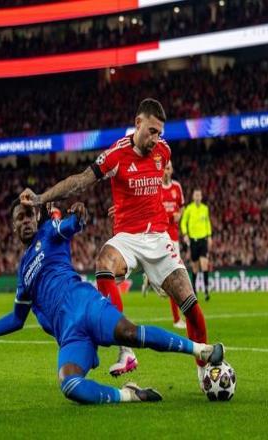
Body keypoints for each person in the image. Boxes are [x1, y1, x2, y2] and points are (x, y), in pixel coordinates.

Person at [19, 98, 211, 388]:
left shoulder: (164, 151)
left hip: (159, 239)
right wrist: (41, 198)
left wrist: (126, 206)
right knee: (104, 262)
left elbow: (153, 187)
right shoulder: (116, 154)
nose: (155, 138)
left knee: (191, 307)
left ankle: (205, 372)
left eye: (159, 133)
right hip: (128, 239)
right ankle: (126, 351)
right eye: (151, 131)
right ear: (138, 123)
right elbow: (80, 181)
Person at [0, 201, 224, 405]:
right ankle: (129, 395)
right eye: (19, 218)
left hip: (85, 304)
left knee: (130, 333)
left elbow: (71, 225)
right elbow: (16, 319)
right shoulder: (23, 274)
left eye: (28, 216)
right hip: (69, 333)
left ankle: (201, 350)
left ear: (36, 219)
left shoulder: (49, 232)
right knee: (69, 384)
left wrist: (78, 215)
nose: (25, 222)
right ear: (13, 227)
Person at [141, 160, 186, 329]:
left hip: (173, 236)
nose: (166, 171)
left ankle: (150, 277)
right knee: (175, 276)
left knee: (173, 276)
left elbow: (182, 207)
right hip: (159, 235)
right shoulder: (156, 188)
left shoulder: (177, 187)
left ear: (172, 170)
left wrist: (179, 215)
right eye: (165, 168)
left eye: (169, 168)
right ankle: (176, 319)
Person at [181, 189, 212, 301]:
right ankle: (194, 290)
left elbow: (207, 223)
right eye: (196, 195)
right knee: (195, 267)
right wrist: (185, 234)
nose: (198, 197)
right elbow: (183, 222)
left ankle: (206, 290)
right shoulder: (189, 209)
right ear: (193, 197)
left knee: (204, 264)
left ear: (201, 197)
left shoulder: (205, 209)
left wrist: (209, 236)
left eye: (199, 195)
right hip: (193, 240)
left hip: (203, 239)